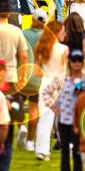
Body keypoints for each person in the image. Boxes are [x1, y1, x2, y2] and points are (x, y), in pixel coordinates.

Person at [33, 21, 69, 161]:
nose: (64, 34)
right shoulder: (63, 49)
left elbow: (36, 70)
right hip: (60, 83)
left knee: (45, 118)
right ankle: (68, 146)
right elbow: (68, 70)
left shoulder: (41, 48)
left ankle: (41, 149)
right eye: (62, 31)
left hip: (46, 82)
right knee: (63, 118)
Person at [55, 50, 84, 171]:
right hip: (64, 122)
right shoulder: (63, 79)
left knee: (78, 155)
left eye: (80, 60)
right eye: (74, 60)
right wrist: (55, 109)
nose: (77, 63)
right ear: (70, 62)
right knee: (65, 155)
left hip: (78, 123)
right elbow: (47, 92)